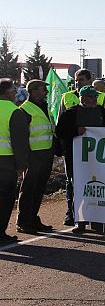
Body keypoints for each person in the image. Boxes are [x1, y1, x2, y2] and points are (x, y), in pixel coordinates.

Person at [55, 85, 105, 233]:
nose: (94, 99)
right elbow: (59, 131)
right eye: (91, 96)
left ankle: (98, 221)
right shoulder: (70, 114)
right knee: (78, 187)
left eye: (95, 96)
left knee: (98, 187)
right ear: (83, 97)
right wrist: (75, 131)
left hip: (97, 159)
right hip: (75, 158)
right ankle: (79, 221)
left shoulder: (102, 112)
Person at [16, 80, 55, 234]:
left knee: (39, 188)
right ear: (32, 91)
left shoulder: (45, 107)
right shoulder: (24, 110)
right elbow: (21, 137)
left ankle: (33, 218)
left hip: (46, 152)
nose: (45, 91)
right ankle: (24, 221)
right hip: (33, 155)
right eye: (42, 89)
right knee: (29, 188)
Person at [0, 79, 29, 243]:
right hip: (5, 162)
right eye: (13, 89)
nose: (15, 92)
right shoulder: (14, 111)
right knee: (4, 199)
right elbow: (19, 142)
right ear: (7, 92)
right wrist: (21, 165)